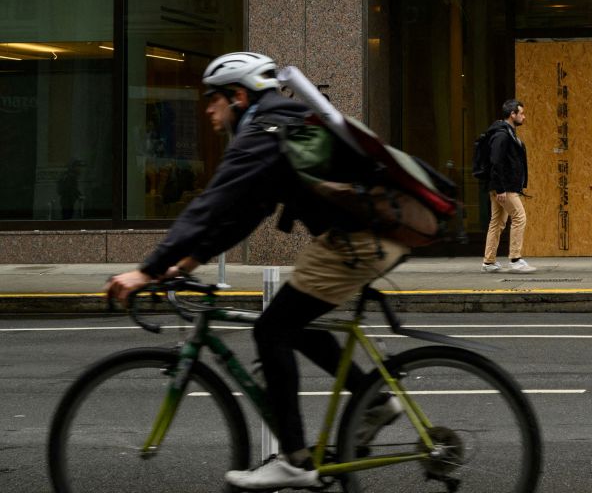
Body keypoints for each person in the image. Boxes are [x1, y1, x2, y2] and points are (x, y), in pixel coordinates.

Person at [105, 52, 407, 490]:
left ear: (239, 95)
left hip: (362, 239)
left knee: (271, 331)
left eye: (213, 99)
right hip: (365, 235)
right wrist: (187, 262)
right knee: (291, 323)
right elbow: (247, 211)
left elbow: (214, 202)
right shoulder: (278, 124)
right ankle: (372, 399)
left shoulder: (266, 129)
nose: (208, 109)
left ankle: (295, 459)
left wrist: (146, 270)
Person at [481, 99, 535, 273]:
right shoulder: (502, 135)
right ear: (513, 114)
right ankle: (515, 259)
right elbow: (496, 162)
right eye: (521, 113)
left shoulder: (506, 133)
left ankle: (489, 262)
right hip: (505, 187)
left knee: (497, 222)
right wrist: (501, 188)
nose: (524, 117)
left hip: (501, 186)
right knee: (519, 217)